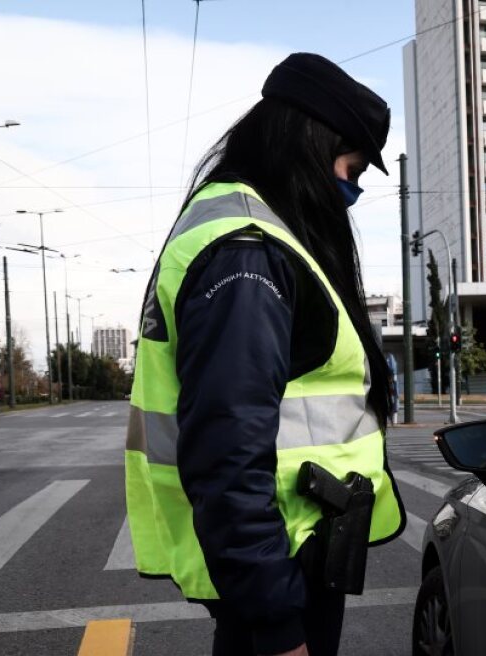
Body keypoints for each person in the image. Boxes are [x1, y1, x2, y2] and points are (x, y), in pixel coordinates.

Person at [124, 53, 405, 656]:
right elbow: (227, 449)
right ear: (308, 145)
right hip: (280, 563)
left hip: (287, 555)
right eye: (351, 169)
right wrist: (277, 623)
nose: (351, 191)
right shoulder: (250, 254)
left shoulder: (250, 237)